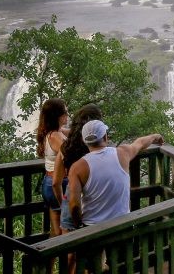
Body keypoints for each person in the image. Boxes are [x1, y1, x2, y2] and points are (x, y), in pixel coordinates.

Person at [68, 120, 164, 229]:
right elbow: (140, 143)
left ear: (84, 141)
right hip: (122, 225)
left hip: (93, 229)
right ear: (105, 137)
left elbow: (74, 205)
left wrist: (79, 226)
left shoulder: (77, 168)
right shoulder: (123, 153)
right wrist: (155, 136)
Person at [51, 105, 104, 274]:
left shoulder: (66, 149)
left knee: (70, 254)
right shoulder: (97, 149)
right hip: (94, 201)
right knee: (94, 253)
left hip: (71, 199)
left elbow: (56, 182)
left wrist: (63, 202)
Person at [36, 98, 70, 239]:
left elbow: (73, 132)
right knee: (67, 232)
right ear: (58, 116)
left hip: (49, 182)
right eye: (66, 112)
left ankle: (46, 261)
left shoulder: (52, 132)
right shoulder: (56, 137)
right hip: (58, 185)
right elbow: (71, 155)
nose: (68, 115)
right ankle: (69, 261)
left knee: (56, 232)